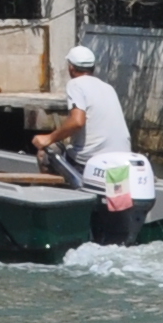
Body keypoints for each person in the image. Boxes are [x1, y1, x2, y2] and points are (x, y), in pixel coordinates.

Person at [42, 42, 147, 215]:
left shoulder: (75, 84)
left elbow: (77, 121)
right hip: (121, 160)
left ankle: (51, 208)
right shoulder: (108, 88)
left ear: (71, 67)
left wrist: (49, 138)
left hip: (89, 161)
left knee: (46, 153)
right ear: (93, 67)